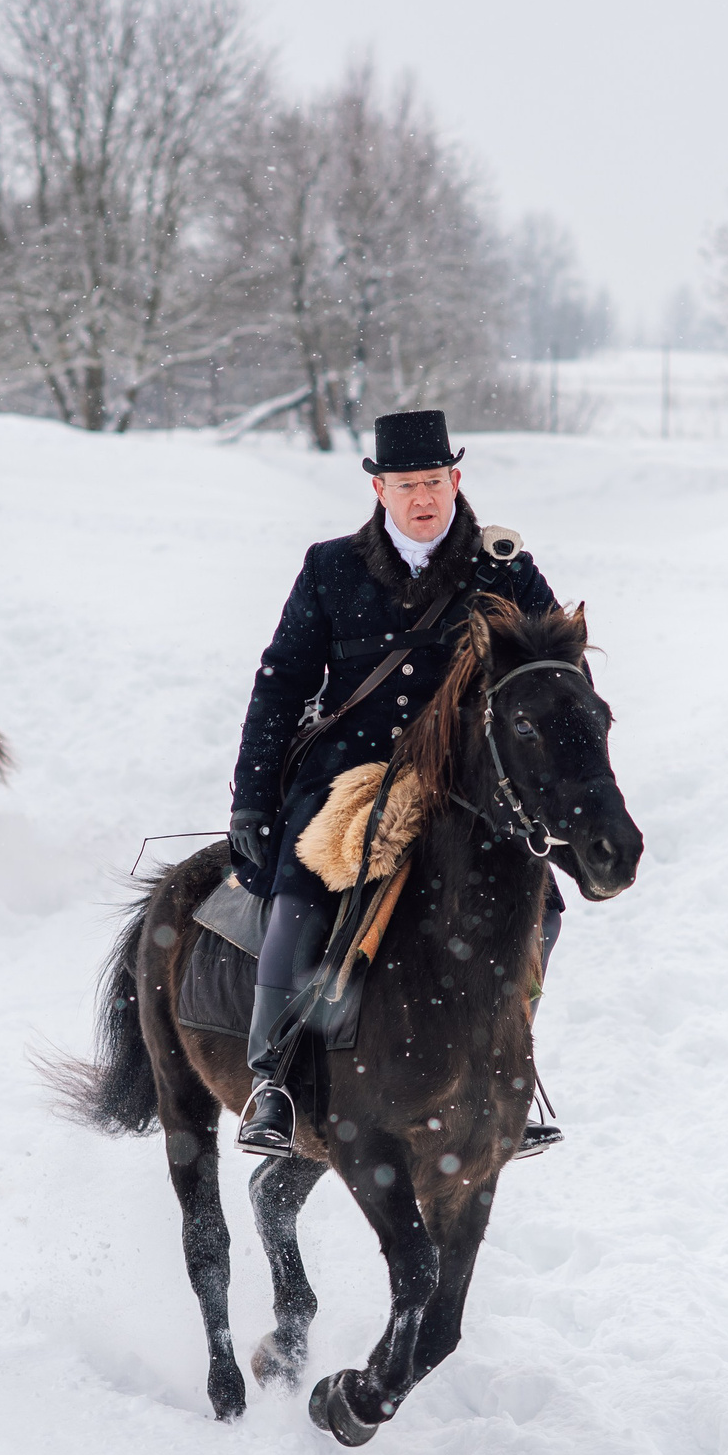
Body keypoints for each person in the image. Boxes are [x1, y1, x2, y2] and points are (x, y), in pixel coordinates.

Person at [226, 409, 566, 1156]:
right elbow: (280, 685)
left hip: (466, 784)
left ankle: (508, 1063)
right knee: (302, 891)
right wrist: (251, 797)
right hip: (351, 776)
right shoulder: (330, 567)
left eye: (434, 481)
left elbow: (555, 682)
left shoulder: (506, 570)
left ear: (456, 480)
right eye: (407, 484)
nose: (423, 497)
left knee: (541, 908)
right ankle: (273, 1080)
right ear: (379, 489)